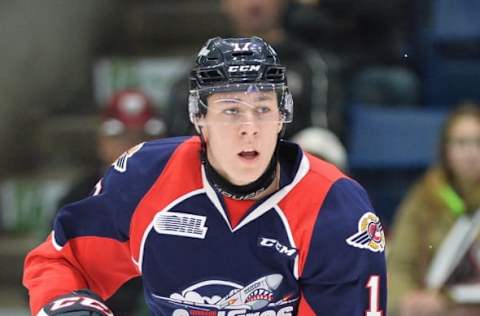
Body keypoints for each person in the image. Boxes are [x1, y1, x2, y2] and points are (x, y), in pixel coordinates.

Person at [23, 36, 386, 316]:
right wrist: (68, 306)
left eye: (263, 108)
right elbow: (61, 261)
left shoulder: (335, 207)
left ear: (282, 115)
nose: (249, 127)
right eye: (230, 110)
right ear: (199, 117)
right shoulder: (146, 178)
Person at [53, 89, 166, 315]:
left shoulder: (189, 191)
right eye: (121, 137)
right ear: (102, 141)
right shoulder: (78, 197)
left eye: (143, 137)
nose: (132, 146)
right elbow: (51, 265)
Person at [166, 0, 342, 139]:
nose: (254, 3)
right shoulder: (202, 66)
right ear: (225, 3)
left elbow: (322, 140)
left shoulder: (310, 65)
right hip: (214, 172)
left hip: (290, 174)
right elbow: (179, 133)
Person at [387, 104, 480, 316]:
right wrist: (407, 301)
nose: (471, 153)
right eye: (461, 143)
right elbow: (400, 263)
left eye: (478, 142)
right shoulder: (424, 197)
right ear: (445, 149)